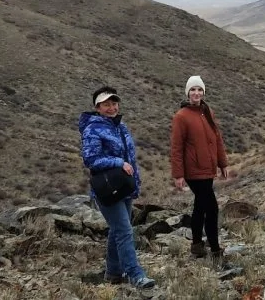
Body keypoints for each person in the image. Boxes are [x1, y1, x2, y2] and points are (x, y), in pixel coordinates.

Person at [78, 86, 156, 289]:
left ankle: (112, 272)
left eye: (114, 103)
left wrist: (134, 181)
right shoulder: (92, 129)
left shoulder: (120, 126)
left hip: (125, 186)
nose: (111, 107)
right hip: (106, 188)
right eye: (106, 104)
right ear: (97, 107)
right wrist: (117, 162)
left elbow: (130, 157)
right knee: (124, 230)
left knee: (117, 230)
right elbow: (91, 159)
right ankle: (135, 274)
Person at [170, 75, 229, 258]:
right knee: (211, 207)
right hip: (194, 170)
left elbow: (216, 138)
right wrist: (178, 174)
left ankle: (197, 245)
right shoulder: (181, 116)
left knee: (201, 206)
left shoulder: (207, 111)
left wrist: (222, 162)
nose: (196, 93)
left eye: (199, 89)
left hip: (208, 167)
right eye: (193, 90)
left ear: (203, 92)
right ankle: (215, 248)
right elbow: (176, 146)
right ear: (188, 93)